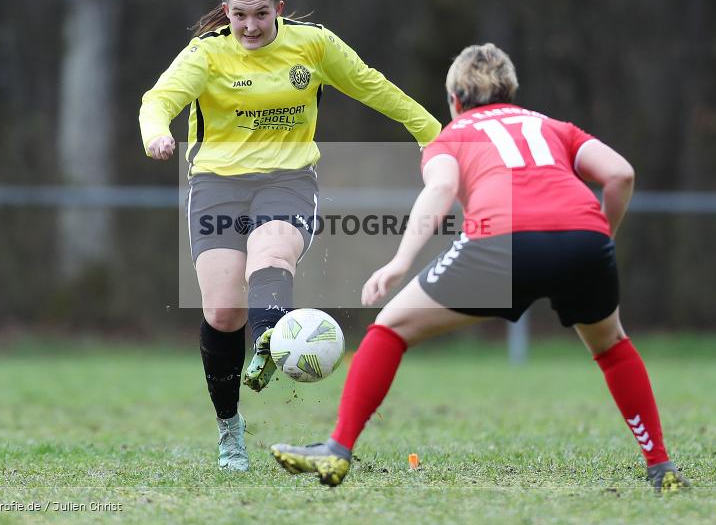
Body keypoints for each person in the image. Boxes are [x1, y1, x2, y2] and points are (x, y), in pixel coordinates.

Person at [270, 43, 691, 493]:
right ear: (511, 92)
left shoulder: (452, 136)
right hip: (584, 238)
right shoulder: (553, 127)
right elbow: (621, 174)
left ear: (454, 101)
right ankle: (661, 466)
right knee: (611, 347)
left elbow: (440, 192)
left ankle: (338, 449)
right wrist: (601, 236)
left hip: (501, 242)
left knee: (390, 328)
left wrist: (400, 261)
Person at [138, 0, 440, 472]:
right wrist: (156, 133)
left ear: (278, 9)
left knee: (272, 252)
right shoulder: (207, 54)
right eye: (239, 16)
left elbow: (371, 85)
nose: (250, 27)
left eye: (259, 14)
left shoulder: (313, 45)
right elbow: (158, 99)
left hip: (288, 179)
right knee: (221, 312)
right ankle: (230, 429)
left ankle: (269, 339)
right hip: (216, 184)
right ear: (226, 12)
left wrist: (433, 133)